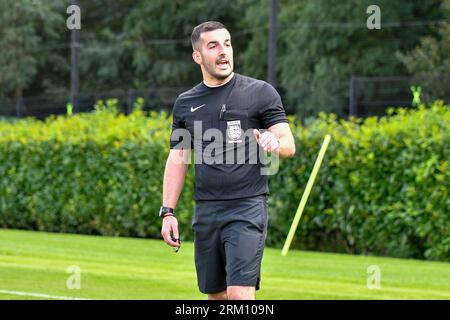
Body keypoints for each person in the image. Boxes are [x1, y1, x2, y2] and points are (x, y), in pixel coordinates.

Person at [160, 21, 295, 300]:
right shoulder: (185, 103)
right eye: (213, 46)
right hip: (206, 211)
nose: (224, 52)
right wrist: (168, 211)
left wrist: (274, 143)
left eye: (227, 43)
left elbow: (288, 144)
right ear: (198, 56)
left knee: (238, 295)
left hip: (247, 207)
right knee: (217, 296)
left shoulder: (260, 92)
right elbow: (178, 157)